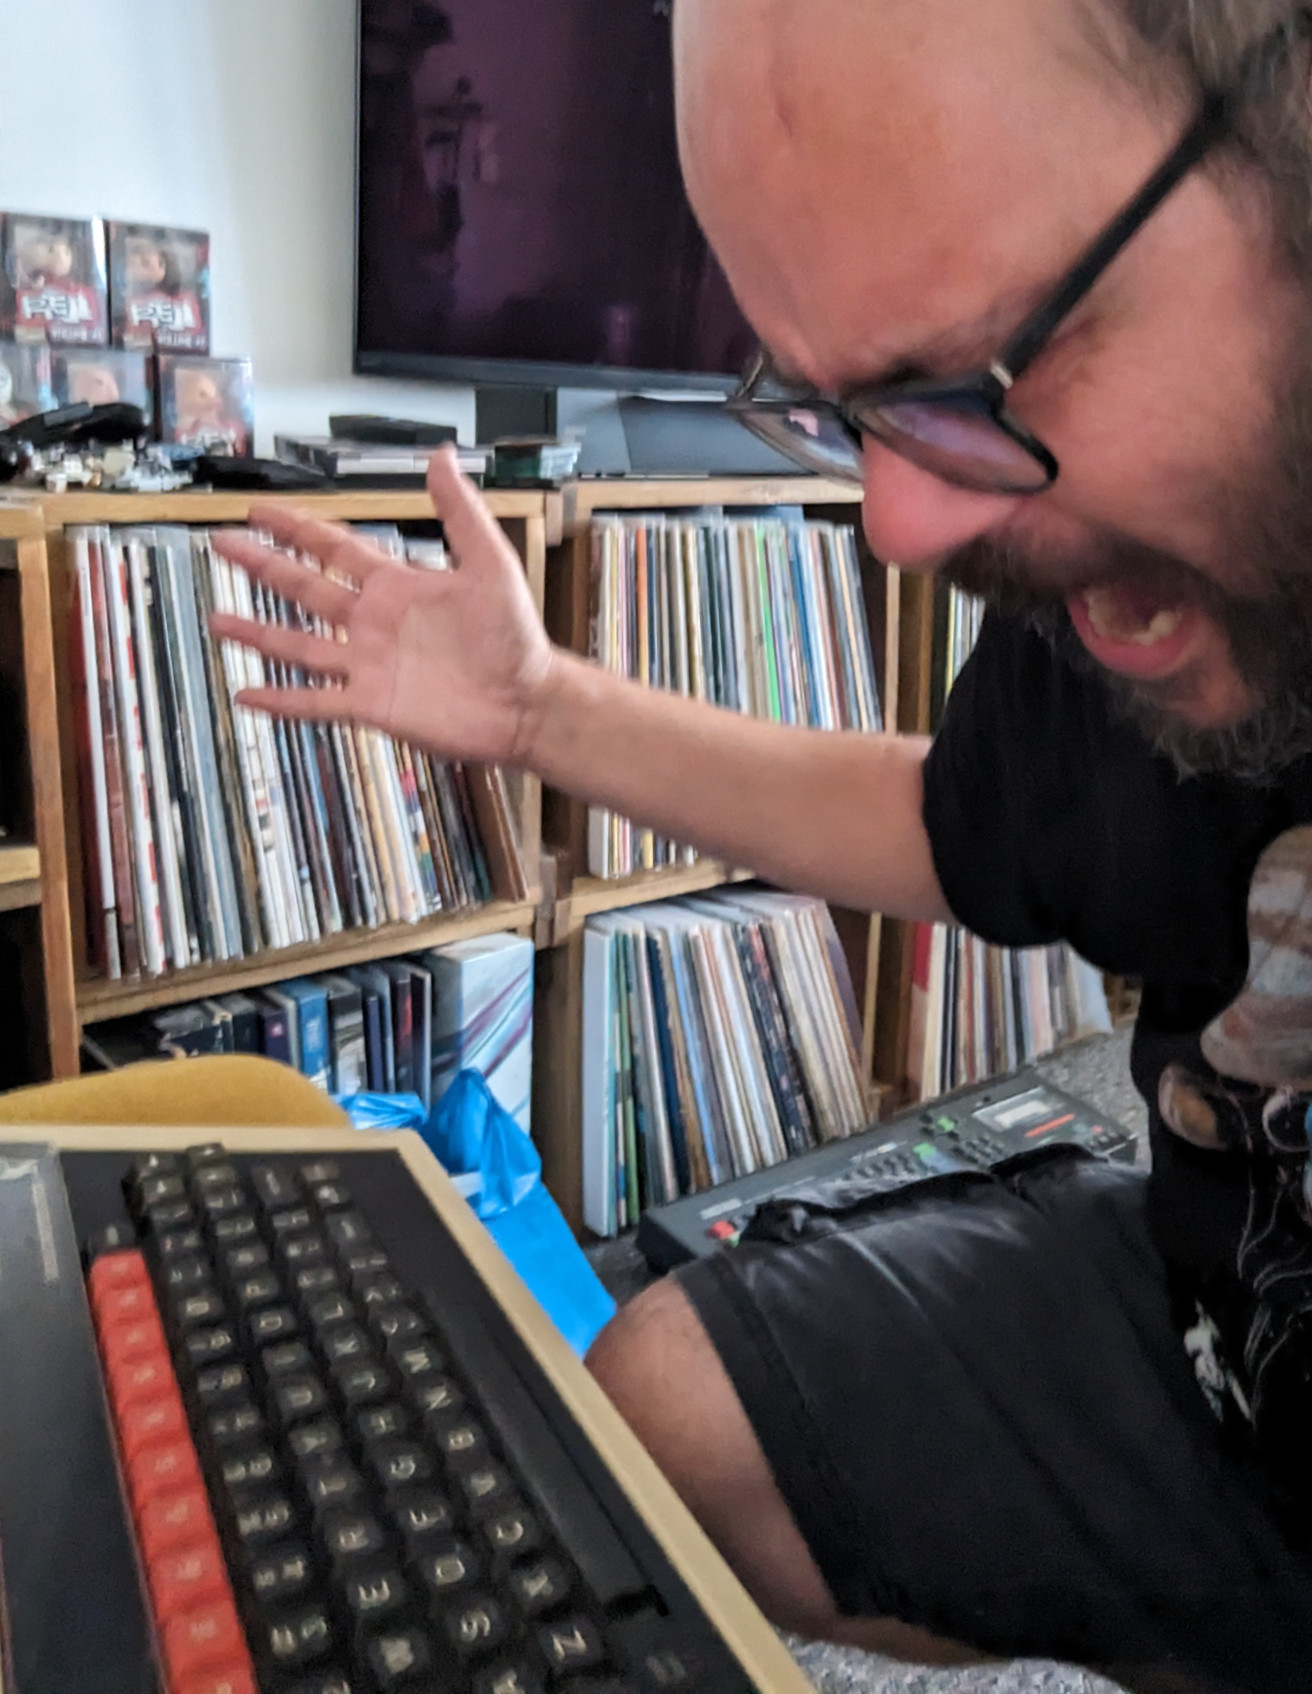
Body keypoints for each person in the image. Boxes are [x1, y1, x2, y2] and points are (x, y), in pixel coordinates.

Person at [213, 2, 1312, 1687]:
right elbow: (961, 830)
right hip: (1216, 1299)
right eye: (837, 408)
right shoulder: (1120, 563)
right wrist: (537, 709)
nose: (898, 522)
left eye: (965, 374)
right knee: (657, 1406)